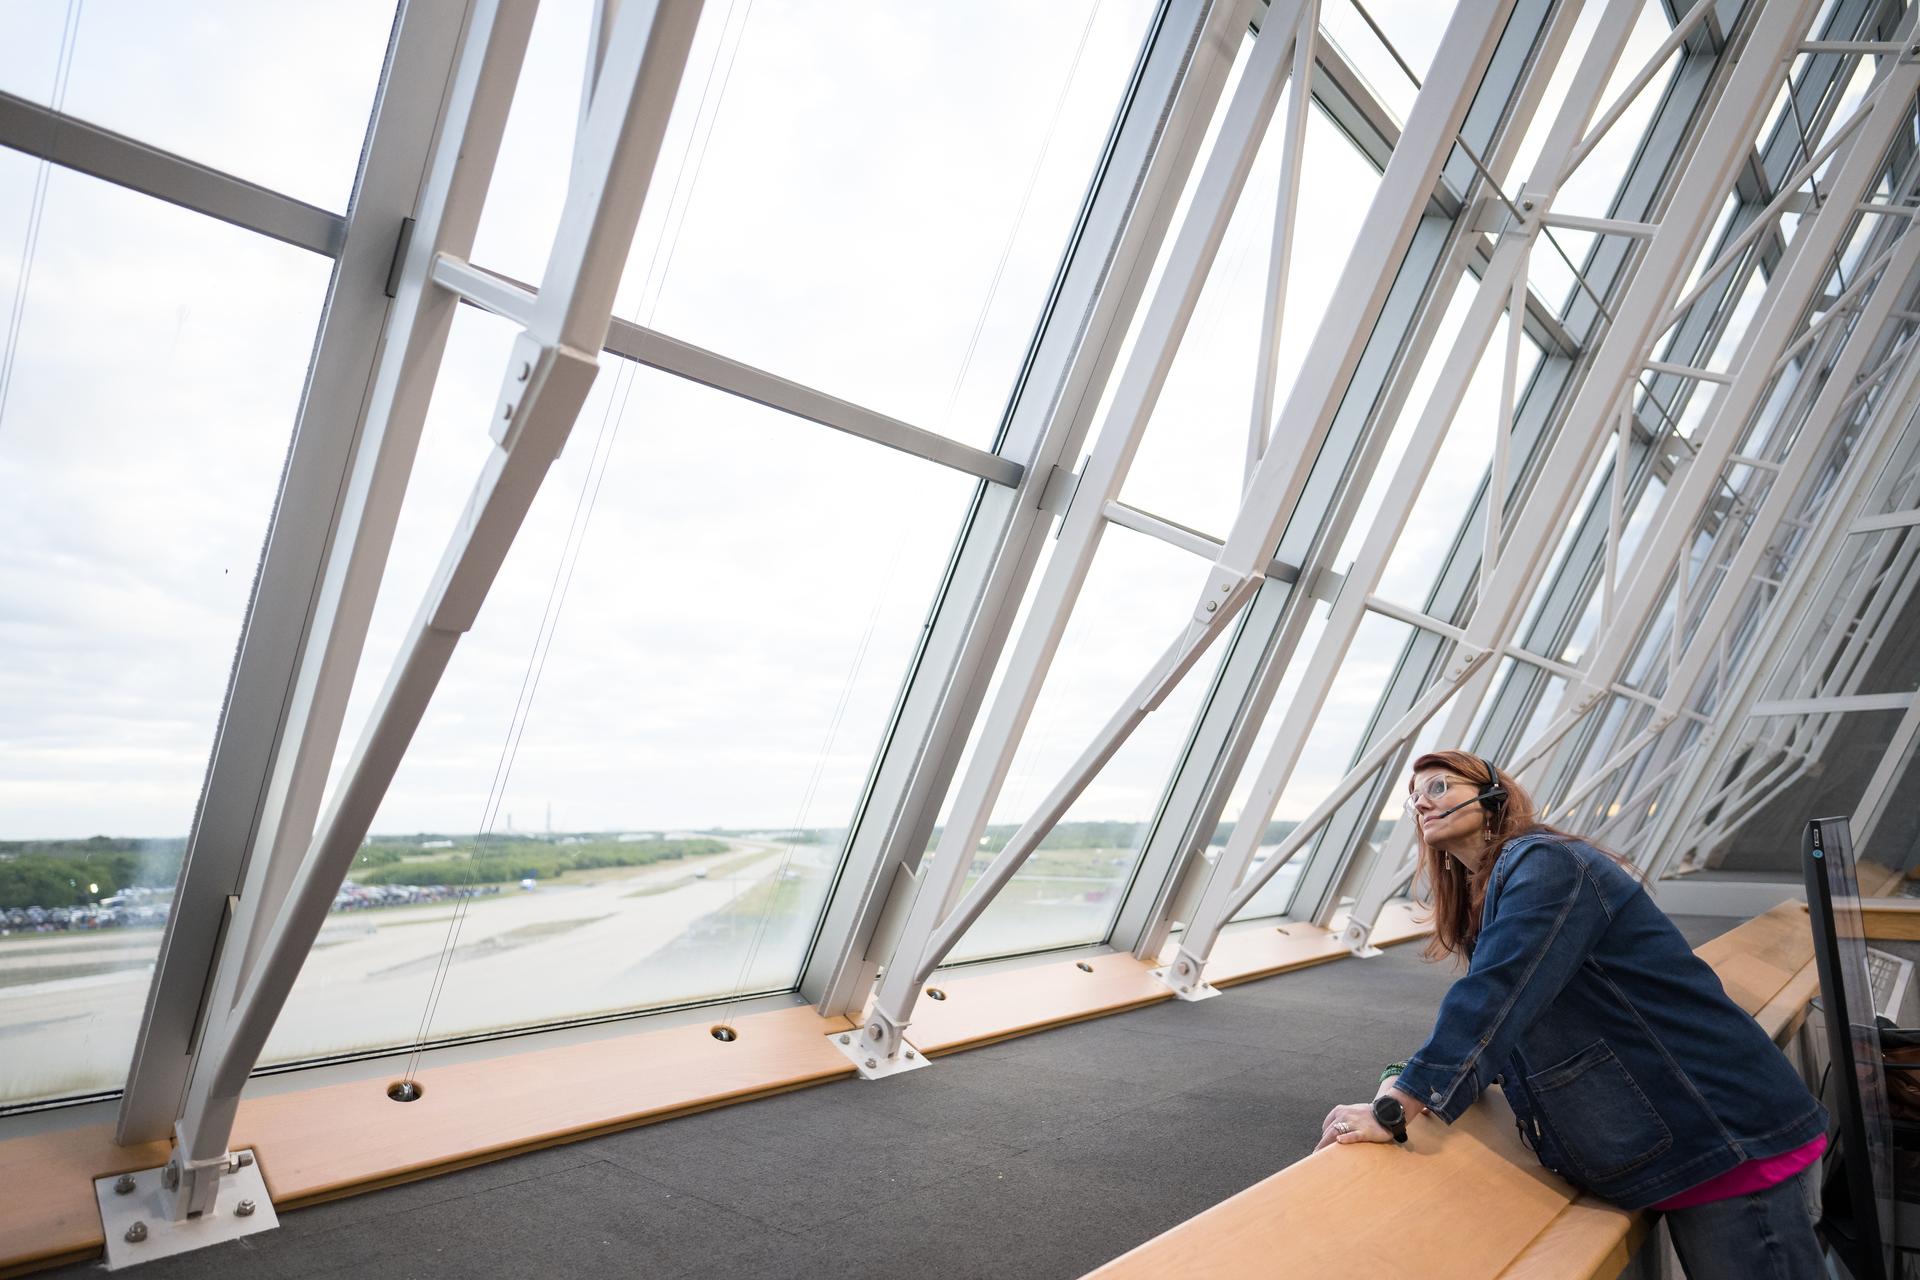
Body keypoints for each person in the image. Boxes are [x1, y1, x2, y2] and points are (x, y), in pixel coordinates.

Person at [1314, 750, 1828, 1279]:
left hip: (1727, 1134)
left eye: (1441, 785)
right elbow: (1521, 1012)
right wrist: (1417, 1074)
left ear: (1494, 794)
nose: (1422, 800)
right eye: (1415, 796)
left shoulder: (1548, 865)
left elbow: (1499, 993)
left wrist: (1399, 1104)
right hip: (1698, 1133)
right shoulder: (1497, 887)